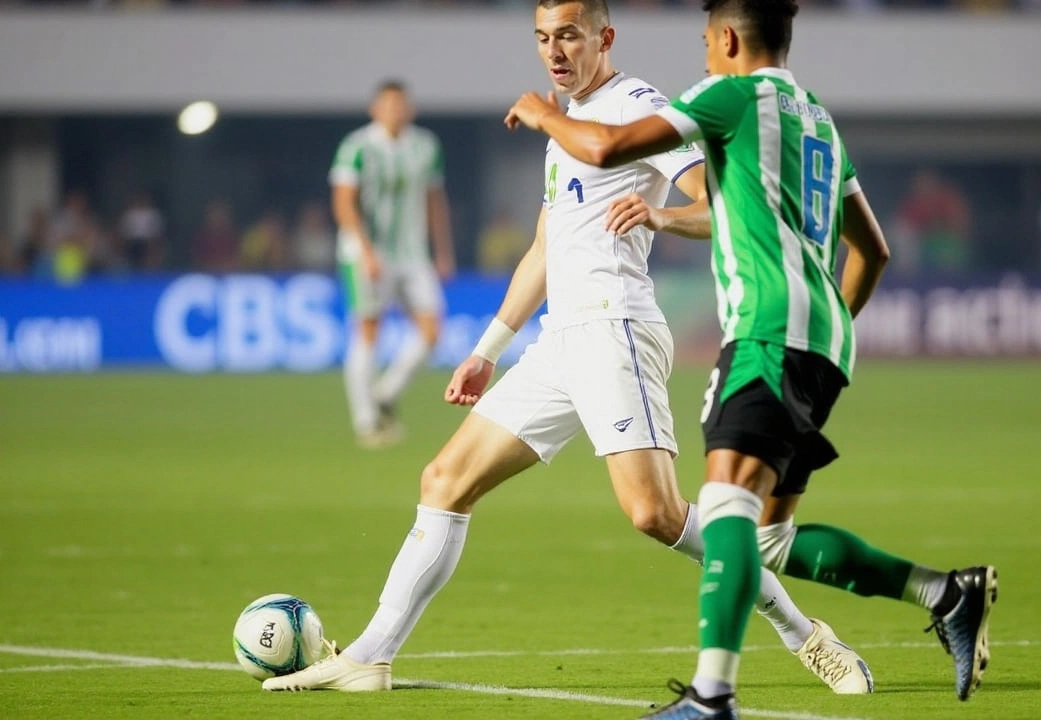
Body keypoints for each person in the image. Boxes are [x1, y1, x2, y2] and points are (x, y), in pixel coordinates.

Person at [264, 0, 871, 696]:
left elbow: (721, 205)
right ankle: (371, 654)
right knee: (444, 480)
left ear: (603, 38)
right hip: (561, 339)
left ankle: (804, 633)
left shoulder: (637, 104)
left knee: (656, 514)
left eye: (570, 36)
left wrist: (664, 215)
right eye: (543, 38)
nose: (555, 51)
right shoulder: (567, 131)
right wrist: (490, 347)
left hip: (617, 330)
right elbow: (545, 250)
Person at [504, 0, 997, 715]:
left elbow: (609, 149)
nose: (703, 55)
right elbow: (874, 250)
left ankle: (711, 697)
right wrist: (820, 333)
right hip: (827, 339)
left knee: (725, 504)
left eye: (706, 41)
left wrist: (542, 114)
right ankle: (947, 594)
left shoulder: (728, 94)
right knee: (763, 537)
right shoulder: (819, 119)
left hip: (766, 330)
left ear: (728, 38)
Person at [330, 80, 458, 448]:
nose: (395, 111)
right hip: (365, 254)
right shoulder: (357, 147)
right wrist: (365, 250)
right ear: (375, 109)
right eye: (388, 105)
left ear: (410, 109)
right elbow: (343, 202)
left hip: (413, 254)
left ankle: (385, 393)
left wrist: (442, 251)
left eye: (401, 105)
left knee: (432, 330)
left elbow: (435, 200)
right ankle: (366, 420)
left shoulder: (425, 146)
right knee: (369, 329)